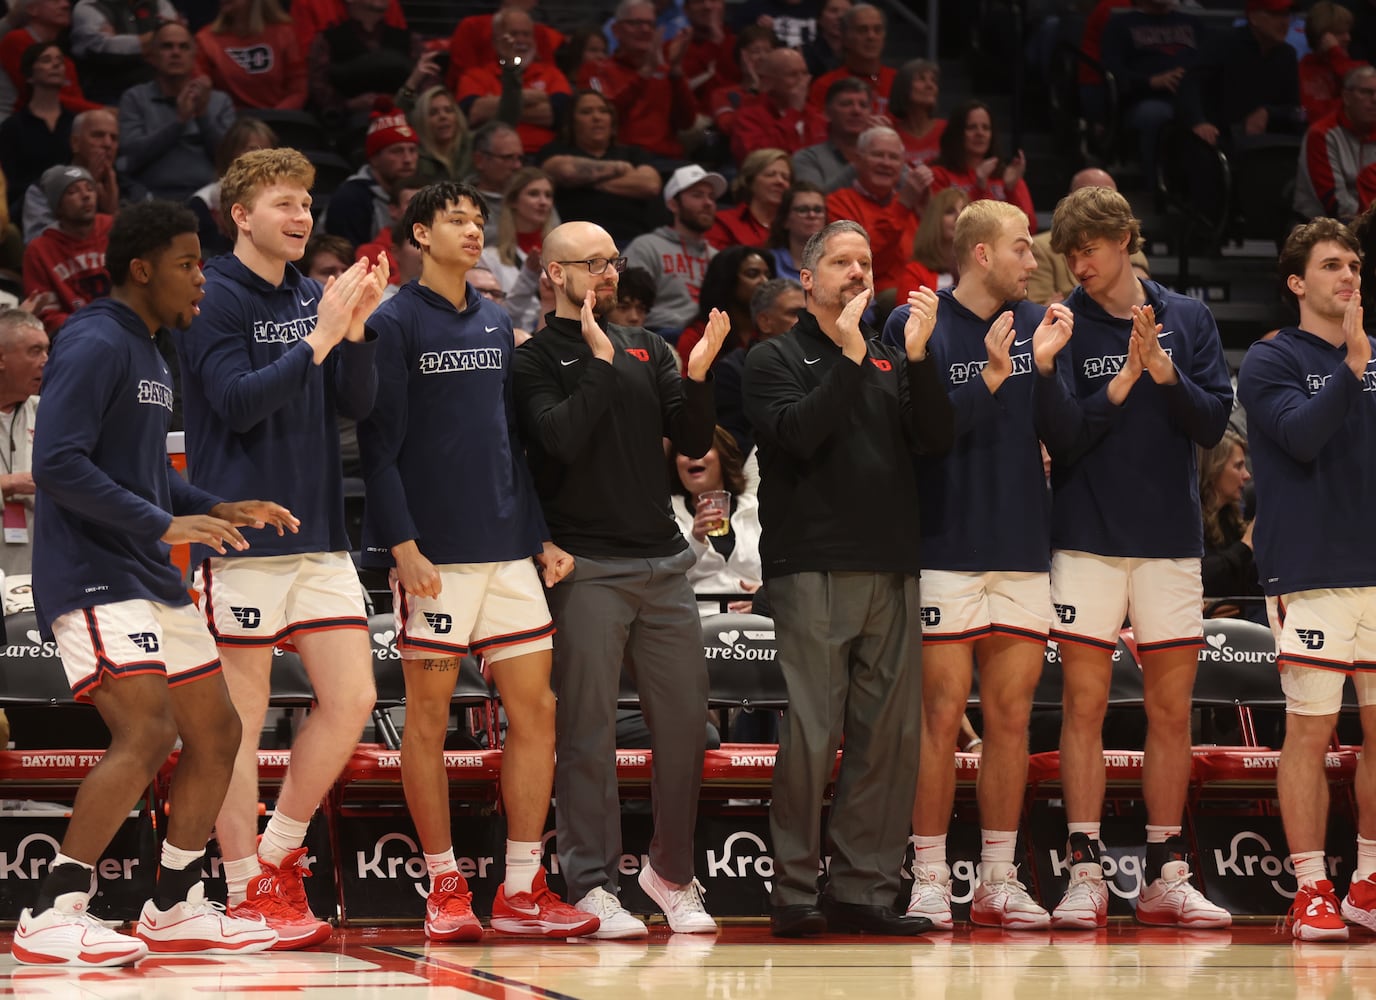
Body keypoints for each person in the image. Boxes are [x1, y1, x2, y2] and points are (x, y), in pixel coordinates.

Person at [13, 199, 288, 966]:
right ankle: (54, 907)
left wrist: (213, 505)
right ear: (142, 269)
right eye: (188, 263)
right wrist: (163, 526)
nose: (202, 279)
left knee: (219, 731)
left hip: (145, 574)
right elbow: (59, 465)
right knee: (147, 730)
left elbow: (140, 479)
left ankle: (173, 904)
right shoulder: (96, 340)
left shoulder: (153, 351)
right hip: (94, 574)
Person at [356, 180, 597, 941]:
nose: (472, 231)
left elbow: (508, 446)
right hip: (436, 558)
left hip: (507, 552)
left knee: (538, 713)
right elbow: (377, 445)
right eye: (456, 220)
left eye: (478, 221)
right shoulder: (392, 321)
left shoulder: (498, 322)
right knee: (426, 720)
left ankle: (522, 888)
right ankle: (444, 885)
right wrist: (401, 546)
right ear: (418, 234)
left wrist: (539, 535)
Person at [177, 147, 388, 949]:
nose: (301, 217)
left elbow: (357, 406)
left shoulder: (312, 294)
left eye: (306, 203)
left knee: (353, 701)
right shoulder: (213, 295)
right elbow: (234, 405)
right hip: (242, 537)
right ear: (240, 215)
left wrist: (354, 329)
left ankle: (276, 854)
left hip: (322, 533)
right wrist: (320, 339)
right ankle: (241, 888)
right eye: (283, 204)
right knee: (242, 719)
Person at [512, 219, 729, 939]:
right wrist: (600, 363)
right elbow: (561, 439)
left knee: (684, 728)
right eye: (593, 263)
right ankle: (592, 883)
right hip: (586, 566)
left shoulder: (652, 347)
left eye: (612, 261)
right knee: (587, 732)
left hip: (664, 562)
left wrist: (697, 375)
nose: (609, 274)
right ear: (552, 275)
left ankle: (670, 873)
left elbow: (694, 443)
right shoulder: (535, 360)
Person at [743, 221, 952, 938]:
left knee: (887, 737)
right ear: (808, 279)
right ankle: (795, 889)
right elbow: (800, 434)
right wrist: (855, 353)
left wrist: (918, 360)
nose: (856, 272)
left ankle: (862, 887)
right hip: (812, 566)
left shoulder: (894, 360)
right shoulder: (772, 357)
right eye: (840, 262)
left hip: (893, 564)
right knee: (812, 733)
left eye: (864, 262)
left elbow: (935, 441)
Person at [1034, 185, 1233, 930]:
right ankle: (1084, 867)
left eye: (1089, 249)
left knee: (1170, 710)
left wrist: (1165, 374)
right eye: (1069, 253)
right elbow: (1063, 440)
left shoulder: (1188, 317)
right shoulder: (1061, 323)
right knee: (1083, 705)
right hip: (1084, 536)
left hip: (1170, 541)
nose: (1078, 264)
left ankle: (1166, 868)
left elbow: (1213, 423)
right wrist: (1120, 384)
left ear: (1124, 240)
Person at [881, 199, 1069, 931]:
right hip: (944, 548)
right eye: (1022, 248)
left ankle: (998, 877)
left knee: (1013, 720)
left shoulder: (1037, 327)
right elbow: (920, 435)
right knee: (937, 718)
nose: (1034, 260)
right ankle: (928, 876)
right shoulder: (915, 321)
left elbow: (1060, 432)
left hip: (1022, 548)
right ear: (983, 254)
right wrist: (988, 378)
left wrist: (1045, 373)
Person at [1235, 218, 1376, 941]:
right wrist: (1351, 368)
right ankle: (1314, 887)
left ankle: (1369, 883)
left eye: (1353, 264)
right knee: (1310, 733)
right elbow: (1299, 437)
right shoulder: (1269, 359)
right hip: (1312, 569)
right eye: (1331, 265)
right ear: (1297, 282)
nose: (1348, 276)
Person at [117, 21, 236, 203]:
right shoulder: (135, 99)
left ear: (193, 55)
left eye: (183, 47)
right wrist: (178, 122)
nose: (175, 53)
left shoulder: (219, 102)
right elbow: (131, 158)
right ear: (152, 55)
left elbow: (231, 159)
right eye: (167, 46)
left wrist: (203, 115)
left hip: (210, 200)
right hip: (153, 199)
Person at [539, 89, 664, 252]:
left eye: (603, 111)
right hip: (575, 245)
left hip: (630, 244)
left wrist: (585, 181)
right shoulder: (555, 150)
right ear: (571, 122)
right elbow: (566, 172)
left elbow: (650, 185)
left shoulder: (634, 153)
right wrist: (620, 168)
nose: (596, 117)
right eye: (586, 112)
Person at [578, 0, 696, 162]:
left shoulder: (667, 72)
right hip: (620, 159)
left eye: (650, 24)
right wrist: (644, 74)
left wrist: (676, 70)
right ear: (616, 30)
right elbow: (605, 115)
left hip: (667, 159)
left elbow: (686, 122)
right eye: (636, 23)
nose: (645, 29)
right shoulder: (596, 69)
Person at [669, 424, 761, 616]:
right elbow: (663, 578)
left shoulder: (756, 509)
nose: (692, 456)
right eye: (683, 451)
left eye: (703, 448)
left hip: (757, 624)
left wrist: (765, 597)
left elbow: (782, 567)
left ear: (723, 456)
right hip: (695, 623)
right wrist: (695, 539)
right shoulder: (667, 514)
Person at [456, 5, 572, 157]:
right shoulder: (475, 76)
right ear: (496, 40)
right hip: (493, 158)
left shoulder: (552, 74)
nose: (521, 41)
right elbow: (473, 113)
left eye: (526, 34)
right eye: (514, 34)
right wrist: (536, 97)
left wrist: (495, 104)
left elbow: (561, 114)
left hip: (543, 156)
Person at [827, 126, 928, 295]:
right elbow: (863, 261)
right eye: (878, 155)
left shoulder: (912, 201)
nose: (886, 163)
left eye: (893, 157)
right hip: (869, 297)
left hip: (918, 291)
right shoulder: (837, 203)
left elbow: (935, 257)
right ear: (857, 159)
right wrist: (902, 207)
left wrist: (927, 212)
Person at [626, 163, 724, 336]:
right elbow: (627, 304)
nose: (708, 203)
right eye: (697, 195)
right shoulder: (646, 247)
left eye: (711, 196)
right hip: (660, 334)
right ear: (673, 204)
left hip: (707, 335)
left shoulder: (717, 257)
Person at [1028, 168, 1150, 307]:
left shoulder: (1122, 241)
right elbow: (1038, 310)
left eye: (1089, 251)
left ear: (1122, 239)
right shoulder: (1042, 247)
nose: (1078, 269)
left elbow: (1138, 274)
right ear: (1071, 198)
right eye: (1069, 256)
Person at [712, 275, 803, 455]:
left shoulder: (817, 362)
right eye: (795, 313)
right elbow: (731, 443)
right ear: (765, 322)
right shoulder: (730, 371)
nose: (806, 320)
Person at [23, 164, 113, 336]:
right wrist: (90, 326)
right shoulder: (39, 250)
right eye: (73, 192)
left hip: (127, 324)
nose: (86, 196)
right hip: (76, 337)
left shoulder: (114, 227)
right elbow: (46, 316)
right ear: (58, 207)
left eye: (90, 189)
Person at [21, 108, 131, 242]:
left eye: (114, 138)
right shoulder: (45, 188)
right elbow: (37, 242)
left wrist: (112, 213)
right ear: (75, 143)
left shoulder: (129, 187)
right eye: (98, 135)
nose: (108, 144)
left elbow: (137, 247)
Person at [306, 0, 420, 123]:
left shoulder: (409, 40)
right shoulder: (327, 40)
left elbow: (427, 84)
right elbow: (318, 84)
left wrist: (398, 101)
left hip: (402, 125)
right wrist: (348, 104)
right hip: (345, 128)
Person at [929, 100, 1035, 232]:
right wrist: (979, 189)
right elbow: (941, 229)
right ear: (957, 133)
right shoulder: (940, 176)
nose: (980, 133)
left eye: (986, 128)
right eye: (971, 127)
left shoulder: (1008, 177)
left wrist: (1011, 191)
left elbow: (1029, 229)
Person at [324, 101, 419, 247]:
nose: (408, 159)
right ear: (374, 159)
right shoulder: (350, 198)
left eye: (412, 151)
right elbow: (346, 260)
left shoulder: (423, 189)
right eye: (397, 151)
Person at [0, 42, 76, 220]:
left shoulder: (75, 122)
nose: (56, 64)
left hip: (74, 202)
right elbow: (11, 182)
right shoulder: (13, 127)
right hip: (29, 208)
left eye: (60, 60)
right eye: (46, 60)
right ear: (29, 76)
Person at [187, 117, 278, 259]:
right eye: (252, 150)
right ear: (230, 154)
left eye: (268, 152)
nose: (262, 159)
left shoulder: (284, 200)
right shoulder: (202, 202)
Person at [480, 166, 557, 332]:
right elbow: (495, 320)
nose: (543, 202)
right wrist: (528, 275)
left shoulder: (562, 254)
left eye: (548, 195)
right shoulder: (489, 258)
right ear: (513, 201)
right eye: (533, 194)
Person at [0, 309, 47, 581]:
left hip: (39, 574)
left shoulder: (50, 413)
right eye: (34, 351)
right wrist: (10, 484)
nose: (46, 361)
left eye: (46, 350)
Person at [1295, 65, 1376, 223]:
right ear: (1346, 97)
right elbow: (1335, 204)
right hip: (1321, 226)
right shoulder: (1322, 134)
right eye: (1366, 92)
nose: (1374, 99)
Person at [195, 0, 308, 111]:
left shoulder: (284, 34)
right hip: (228, 123)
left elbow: (297, 91)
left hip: (278, 121)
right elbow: (200, 90)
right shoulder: (206, 39)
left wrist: (272, 120)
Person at [1198, 428, 1262, 620]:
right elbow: (1200, 574)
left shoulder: (1233, 519)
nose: (1247, 475)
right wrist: (1245, 546)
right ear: (1214, 469)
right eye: (1238, 466)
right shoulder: (1186, 521)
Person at [675, 244, 774, 367]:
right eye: (752, 274)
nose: (765, 282)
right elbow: (689, 384)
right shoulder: (699, 337)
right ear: (727, 280)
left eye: (768, 275)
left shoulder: (774, 329)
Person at [0, 0, 102, 117]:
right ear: (33, 10)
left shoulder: (66, 62)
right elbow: (38, 96)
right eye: (55, 1)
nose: (66, 5)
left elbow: (75, 102)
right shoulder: (16, 40)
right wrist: (100, 110)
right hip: (14, 122)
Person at [70, 0, 178, 104]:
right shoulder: (90, 5)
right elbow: (104, 49)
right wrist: (156, 40)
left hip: (158, 90)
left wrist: (120, 40)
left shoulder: (160, 3)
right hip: (110, 95)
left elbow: (175, 36)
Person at [730, 47, 824, 163]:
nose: (802, 81)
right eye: (793, 75)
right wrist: (793, 113)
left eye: (804, 73)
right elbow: (758, 160)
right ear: (768, 81)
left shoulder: (814, 114)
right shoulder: (748, 116)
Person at [807, 3, 894, 115]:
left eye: (877, 30)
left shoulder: (898, 82)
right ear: (844, 37)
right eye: (862, 30)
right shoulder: (825, 85)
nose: (871, 36)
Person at [792, 76, 871, 193]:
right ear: (827, 113)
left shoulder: (884, 158)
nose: (856, 111)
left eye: (863, 105)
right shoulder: (807, 159)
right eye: (846, 104)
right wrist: (858, 166)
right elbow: (813, 202)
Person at [707, 148, 791, 250]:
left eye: (785, 177)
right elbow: (718, 263)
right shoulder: (724, 222)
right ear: (749, 181)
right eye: (770, 175)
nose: (780, 181)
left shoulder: (796, 227)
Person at [1300, 2, 1367, 124]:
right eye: (1340, 33)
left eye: (1348, 32)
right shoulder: (1302, 70)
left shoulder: (1359, 68)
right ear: (1322, 36)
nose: (1348, 38)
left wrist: (1335, 54)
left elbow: (1361, 86)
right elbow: (1311, 115)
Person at [895, 187, 966, 299]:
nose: (959, 216)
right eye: (950, 212)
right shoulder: (915, 272)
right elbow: (907, 315)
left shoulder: (980, 271)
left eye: (964, 211)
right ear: (935, 220)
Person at [398, 85, 471, 184]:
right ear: (422, 121)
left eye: (448, 110)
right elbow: (397, 118)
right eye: (433, 113)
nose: (443, 116)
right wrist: (411, 86)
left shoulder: (472, 146)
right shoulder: (415, 158)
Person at [891, 58, 944, 170]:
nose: (930, 85)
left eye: (933, 81)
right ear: (904, 87)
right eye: (921, 79)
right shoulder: (890, 135)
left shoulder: (948, 130)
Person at [769, 181, 826, 282]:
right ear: (785, 220)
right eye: (803, 210)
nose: (812, 215)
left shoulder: (837, 262)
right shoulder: (770, 261)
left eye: (818, 210)